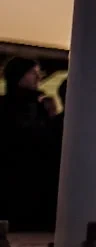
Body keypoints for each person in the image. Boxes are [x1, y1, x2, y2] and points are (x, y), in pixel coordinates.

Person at [1, 57, 59, 232]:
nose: (38, 78)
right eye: (33, 73)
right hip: (15, 173)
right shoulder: (19, 106)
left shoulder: (39, 105)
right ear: (19, 76)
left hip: (33, 176)